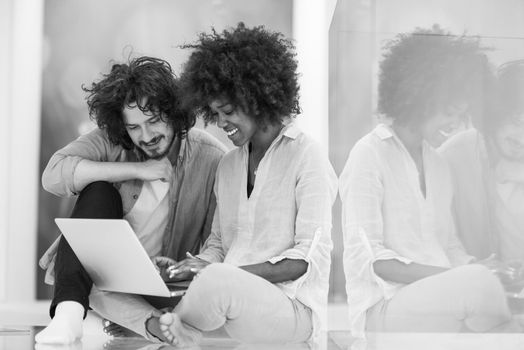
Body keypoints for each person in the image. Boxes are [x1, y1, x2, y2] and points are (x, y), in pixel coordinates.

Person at [142, 23, 337, 345]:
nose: (220, 124)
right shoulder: (229, 165)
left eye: (228, 111)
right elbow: (219, 245)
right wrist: (190, 267)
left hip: (292, 312)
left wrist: (217, 277)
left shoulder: (307, 156)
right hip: (231, 307)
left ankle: (179, 330)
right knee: (212, 280)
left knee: (215, 283)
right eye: (215, 113)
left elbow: (302, 261)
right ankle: (183, 331)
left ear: (258, 97)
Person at [35, 56, 227, 344]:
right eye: (134, 127)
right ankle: (69, 315)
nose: (145, 135)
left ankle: (146, 321)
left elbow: (218, 239)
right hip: (101, 277)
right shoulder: (113, 141)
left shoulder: (211, 157)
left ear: (174, 113)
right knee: (98, 190)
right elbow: (53, 175)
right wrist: (139, 169)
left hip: (165, 282)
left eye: (153, 121)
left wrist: (187, 266)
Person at [340, 26, 516, 337]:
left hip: (438, 303)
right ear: (419, 97)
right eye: (449, 112)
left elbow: (448, 246)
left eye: (460, 115)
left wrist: (483, 265)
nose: (454, 124)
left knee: (493, 293)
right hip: (383, 309)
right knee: (480, 288)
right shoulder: (368, 154)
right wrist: (465, 275)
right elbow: (373, 262)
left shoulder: (438, 164)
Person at [440, 60, 524, 279]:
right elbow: (437, 237)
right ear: (497, 113)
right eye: (516, 122)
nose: (521, 137)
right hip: (470, 295)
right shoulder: (453, 157)